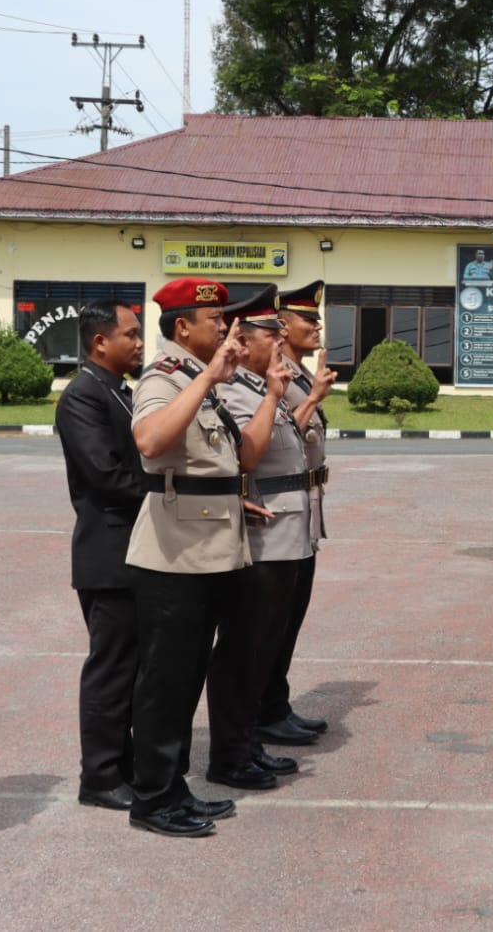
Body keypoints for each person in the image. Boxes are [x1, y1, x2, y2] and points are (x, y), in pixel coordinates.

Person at [124, 278, 253, 837]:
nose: (223, 327)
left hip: (207, 552)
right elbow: (151, 443)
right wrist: (205, 378)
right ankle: (152, 799)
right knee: (165, 682)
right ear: (182, 327)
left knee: (186, 679)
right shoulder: (163, 378)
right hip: (173, 556)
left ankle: (173, 788)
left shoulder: (199, 380)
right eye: (213, 318)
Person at [204, 285, 306, 787]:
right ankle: (229, 753)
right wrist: (271, 396)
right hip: (260, 535)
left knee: (262, 646)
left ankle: (248, 742)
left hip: (283, 533)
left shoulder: (260, 384)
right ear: (243, 340)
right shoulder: (235, 389)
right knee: (242, 649)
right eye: (273, 331)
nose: (281, 338)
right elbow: (249, 454)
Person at [54, 299, 146, 811]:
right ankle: (101, 777)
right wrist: (171, 495)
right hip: (109, 554)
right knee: (111, 670)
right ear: (99, 342)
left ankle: (125, 766)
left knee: (133, 669)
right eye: (130, 335)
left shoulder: (120, 391)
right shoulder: (82, 396)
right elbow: (107, 475)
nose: (138, 343)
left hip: (135, 550)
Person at [256, 280, 337, 745]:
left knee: (290, 619)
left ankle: (276, 703)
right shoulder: (274, 374)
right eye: (309, 319)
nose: (318, 327)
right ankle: (264, 711)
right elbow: (278, 436)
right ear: (283, 326)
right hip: (277, 511)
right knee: (271, 621)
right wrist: (313, 400)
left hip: (304, 512)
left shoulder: (300, 372)